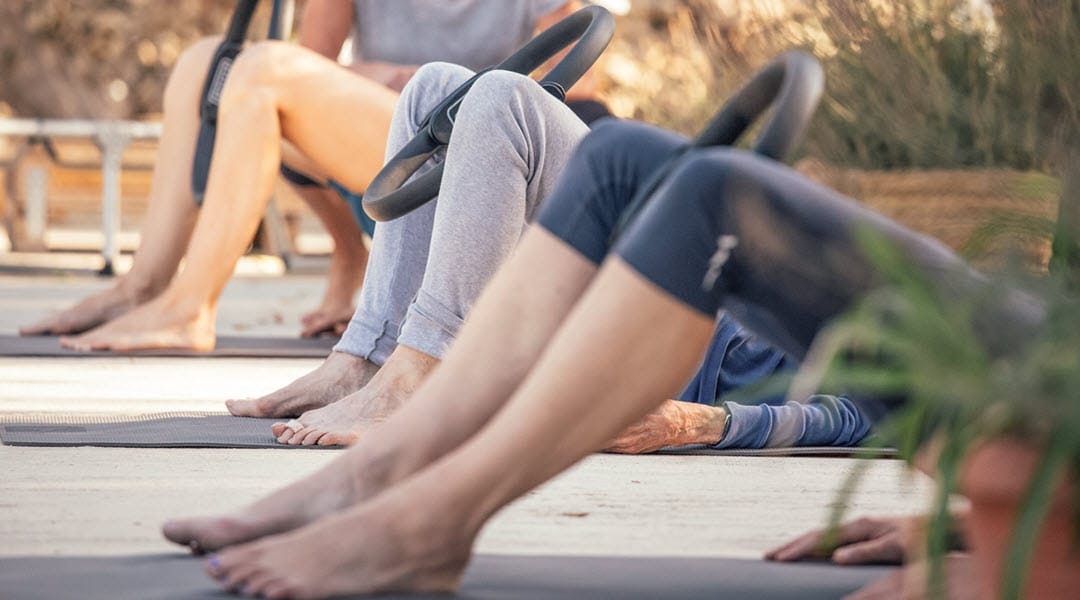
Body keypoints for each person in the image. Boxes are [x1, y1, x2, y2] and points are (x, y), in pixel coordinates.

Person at [159, 106, 1047, 598]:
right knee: (622, 152)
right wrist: (975, 524)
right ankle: (375, 470)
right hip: (1043, 350)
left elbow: (856, 411)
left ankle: (429, 522)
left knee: (711, 190)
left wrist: (1039, 555)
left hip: (1031, 394)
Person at [228, 68, 882, 451]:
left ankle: (422, 376)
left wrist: (708, 423)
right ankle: (367, 357)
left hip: (656, 349)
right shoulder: (922, 282)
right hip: (669, 269)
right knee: (441, 90)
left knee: (508, 100)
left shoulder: (940, 350)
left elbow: (867, 420)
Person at [18, 0, 590, 348]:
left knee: (263, 73)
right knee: (209, 63)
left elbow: (571, 94)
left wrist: (447, 84)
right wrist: (386, 72)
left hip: (477, 148)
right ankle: (141, 287)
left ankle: (191, 310)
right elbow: (314, 63)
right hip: (390, 132)